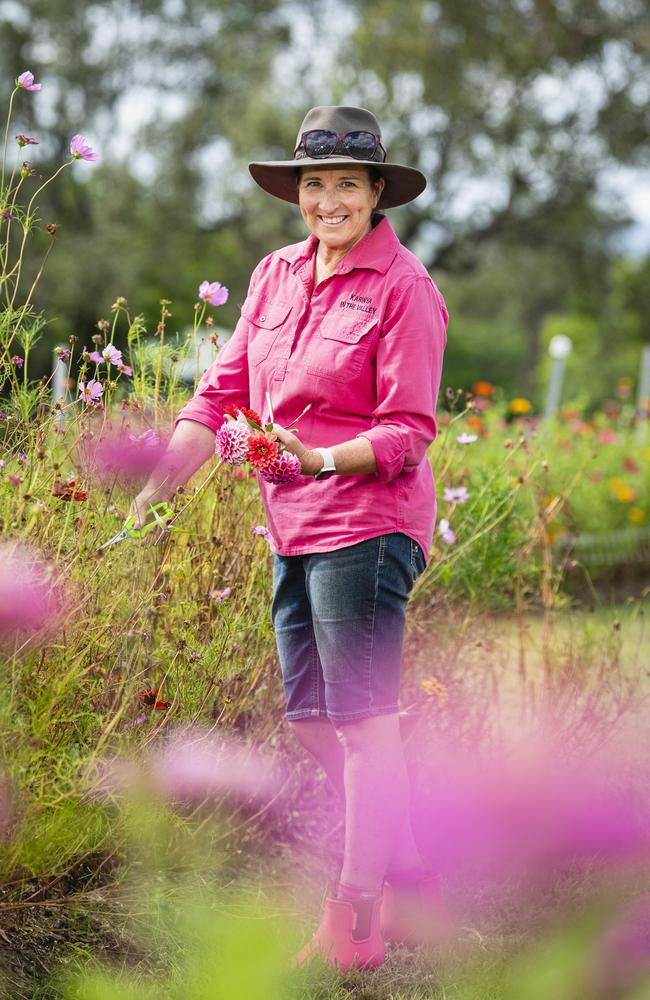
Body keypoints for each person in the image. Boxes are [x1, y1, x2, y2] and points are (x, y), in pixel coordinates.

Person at [129, 105, 449, 971]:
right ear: (296, 194)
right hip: (293, 526)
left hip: (368, 525)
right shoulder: (274, 275)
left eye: (348, 183)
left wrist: (319, 458)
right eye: (315, 183)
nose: (329, 199)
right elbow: (217, 393)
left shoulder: (405, 289)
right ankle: (414, 878)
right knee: (316, 721)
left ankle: (355, 924)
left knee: (360, 727)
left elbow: (410, 432)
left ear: (378, 192)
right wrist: (157, 490)